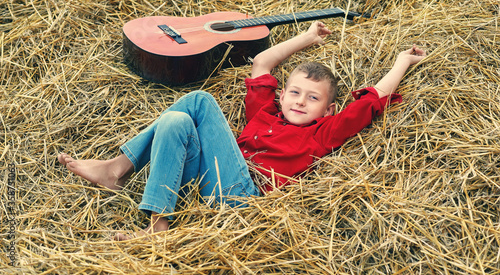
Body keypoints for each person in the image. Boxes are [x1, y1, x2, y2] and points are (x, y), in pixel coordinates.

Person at [57, 21, 427, 240]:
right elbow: (263, 61)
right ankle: (159, 225)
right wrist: (308, 37)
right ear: (281, 95)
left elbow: (373, 99)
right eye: (294, 92)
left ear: (328, 109)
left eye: (312, 98)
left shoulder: (323, 132)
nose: (300, 101)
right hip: (202, 181)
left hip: (242, 195)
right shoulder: (263, 112)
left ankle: (118, 168)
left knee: (199, 101)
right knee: (176, 120)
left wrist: (402, 61)